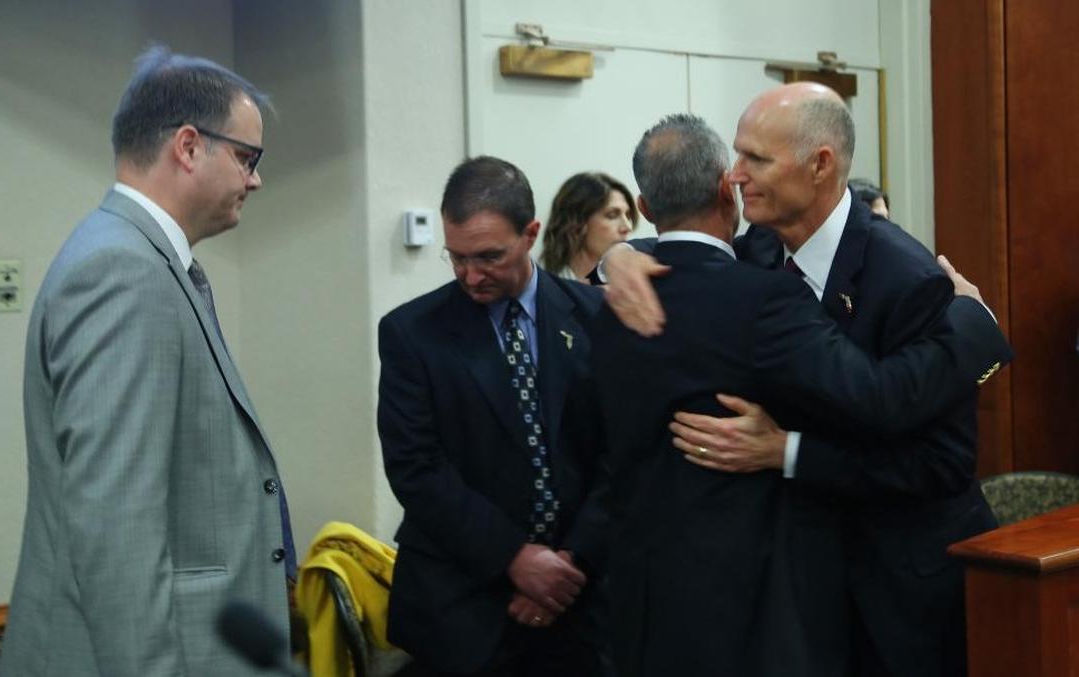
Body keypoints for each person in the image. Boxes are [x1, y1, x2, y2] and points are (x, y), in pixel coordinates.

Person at [593, 112, 1010, 677]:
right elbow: (687, 247)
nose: (737, 175)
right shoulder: (760, 249)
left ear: (821, 165)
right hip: (800, 590)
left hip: (899, 585)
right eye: (735, 159)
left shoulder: (908, 276)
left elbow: (940, 461)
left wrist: (786, 452)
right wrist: (612, 258)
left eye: (755, 159)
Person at [0, 47, 296, 677]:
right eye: (247, 158)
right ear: (189, 147)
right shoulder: (122, 272)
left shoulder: (143, 260)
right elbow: (116, 525)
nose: (255, 180)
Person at [377, 156, 610, 676]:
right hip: (462, 609)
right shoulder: (413, 334)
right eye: (455, 258)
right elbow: (416, 468)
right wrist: (515, 558)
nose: (471, 275)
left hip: (582, 604)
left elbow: (620, 453)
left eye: (489, 257)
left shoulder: (595, 317)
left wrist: (567, 565)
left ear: (530, 234)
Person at [540, 172, 637, 282]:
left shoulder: (636, 285)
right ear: (576, 223)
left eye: (628, 216)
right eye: (612, 215)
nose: (627, 227)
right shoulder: (541, 287)